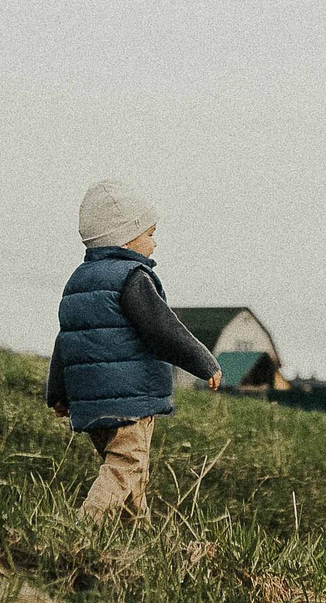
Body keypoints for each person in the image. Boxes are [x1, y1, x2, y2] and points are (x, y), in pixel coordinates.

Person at [44, 180, 223, 520]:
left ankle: (134, 534)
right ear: (125, 238)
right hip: (129, 400)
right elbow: (163, 329)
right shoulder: (133, 278)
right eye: (150, 233)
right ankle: (84, 523)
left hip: (92, 403)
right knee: (126, 466)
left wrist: (59, 393)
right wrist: (204, 362)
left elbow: (67, 339)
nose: (154, 242)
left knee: (132, 476)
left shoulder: (78, 282)